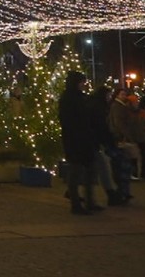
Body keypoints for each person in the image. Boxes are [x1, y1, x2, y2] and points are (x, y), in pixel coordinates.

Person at [59, 71, 97, 215]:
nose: (83, 84)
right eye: (81, 82)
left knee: (89, 171)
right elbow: (68, 120)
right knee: (75, 172)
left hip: (85, 138)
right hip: (74, 139)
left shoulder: (81, 97)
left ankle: (89, 201)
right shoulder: (69, 98)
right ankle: (76, 203)